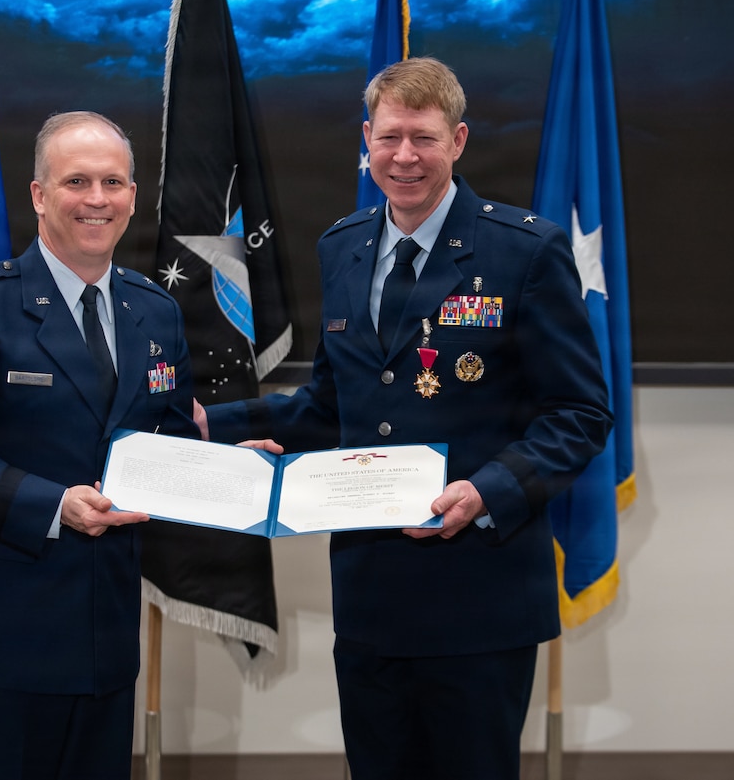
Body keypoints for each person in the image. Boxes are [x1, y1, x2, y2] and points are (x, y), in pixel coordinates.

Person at [199, 57, 614, 779]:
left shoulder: (525, 250)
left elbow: (580, 412)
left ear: (458, 141)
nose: (404, 157)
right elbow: (333, 403)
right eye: (389, 137)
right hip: (372, 596)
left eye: (424, 138)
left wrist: (487, 489)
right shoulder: (342, 246)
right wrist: (215, 425)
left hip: (479, 592)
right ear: (367, 139)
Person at [0, 111, 199, 780]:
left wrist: (229, 461)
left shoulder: (155, 311)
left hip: (105, 637)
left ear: (132, 197)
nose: (96, 199)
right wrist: (56, 505)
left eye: (112, 182)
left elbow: (166, 435)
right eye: (76, 181)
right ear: (38, 194)